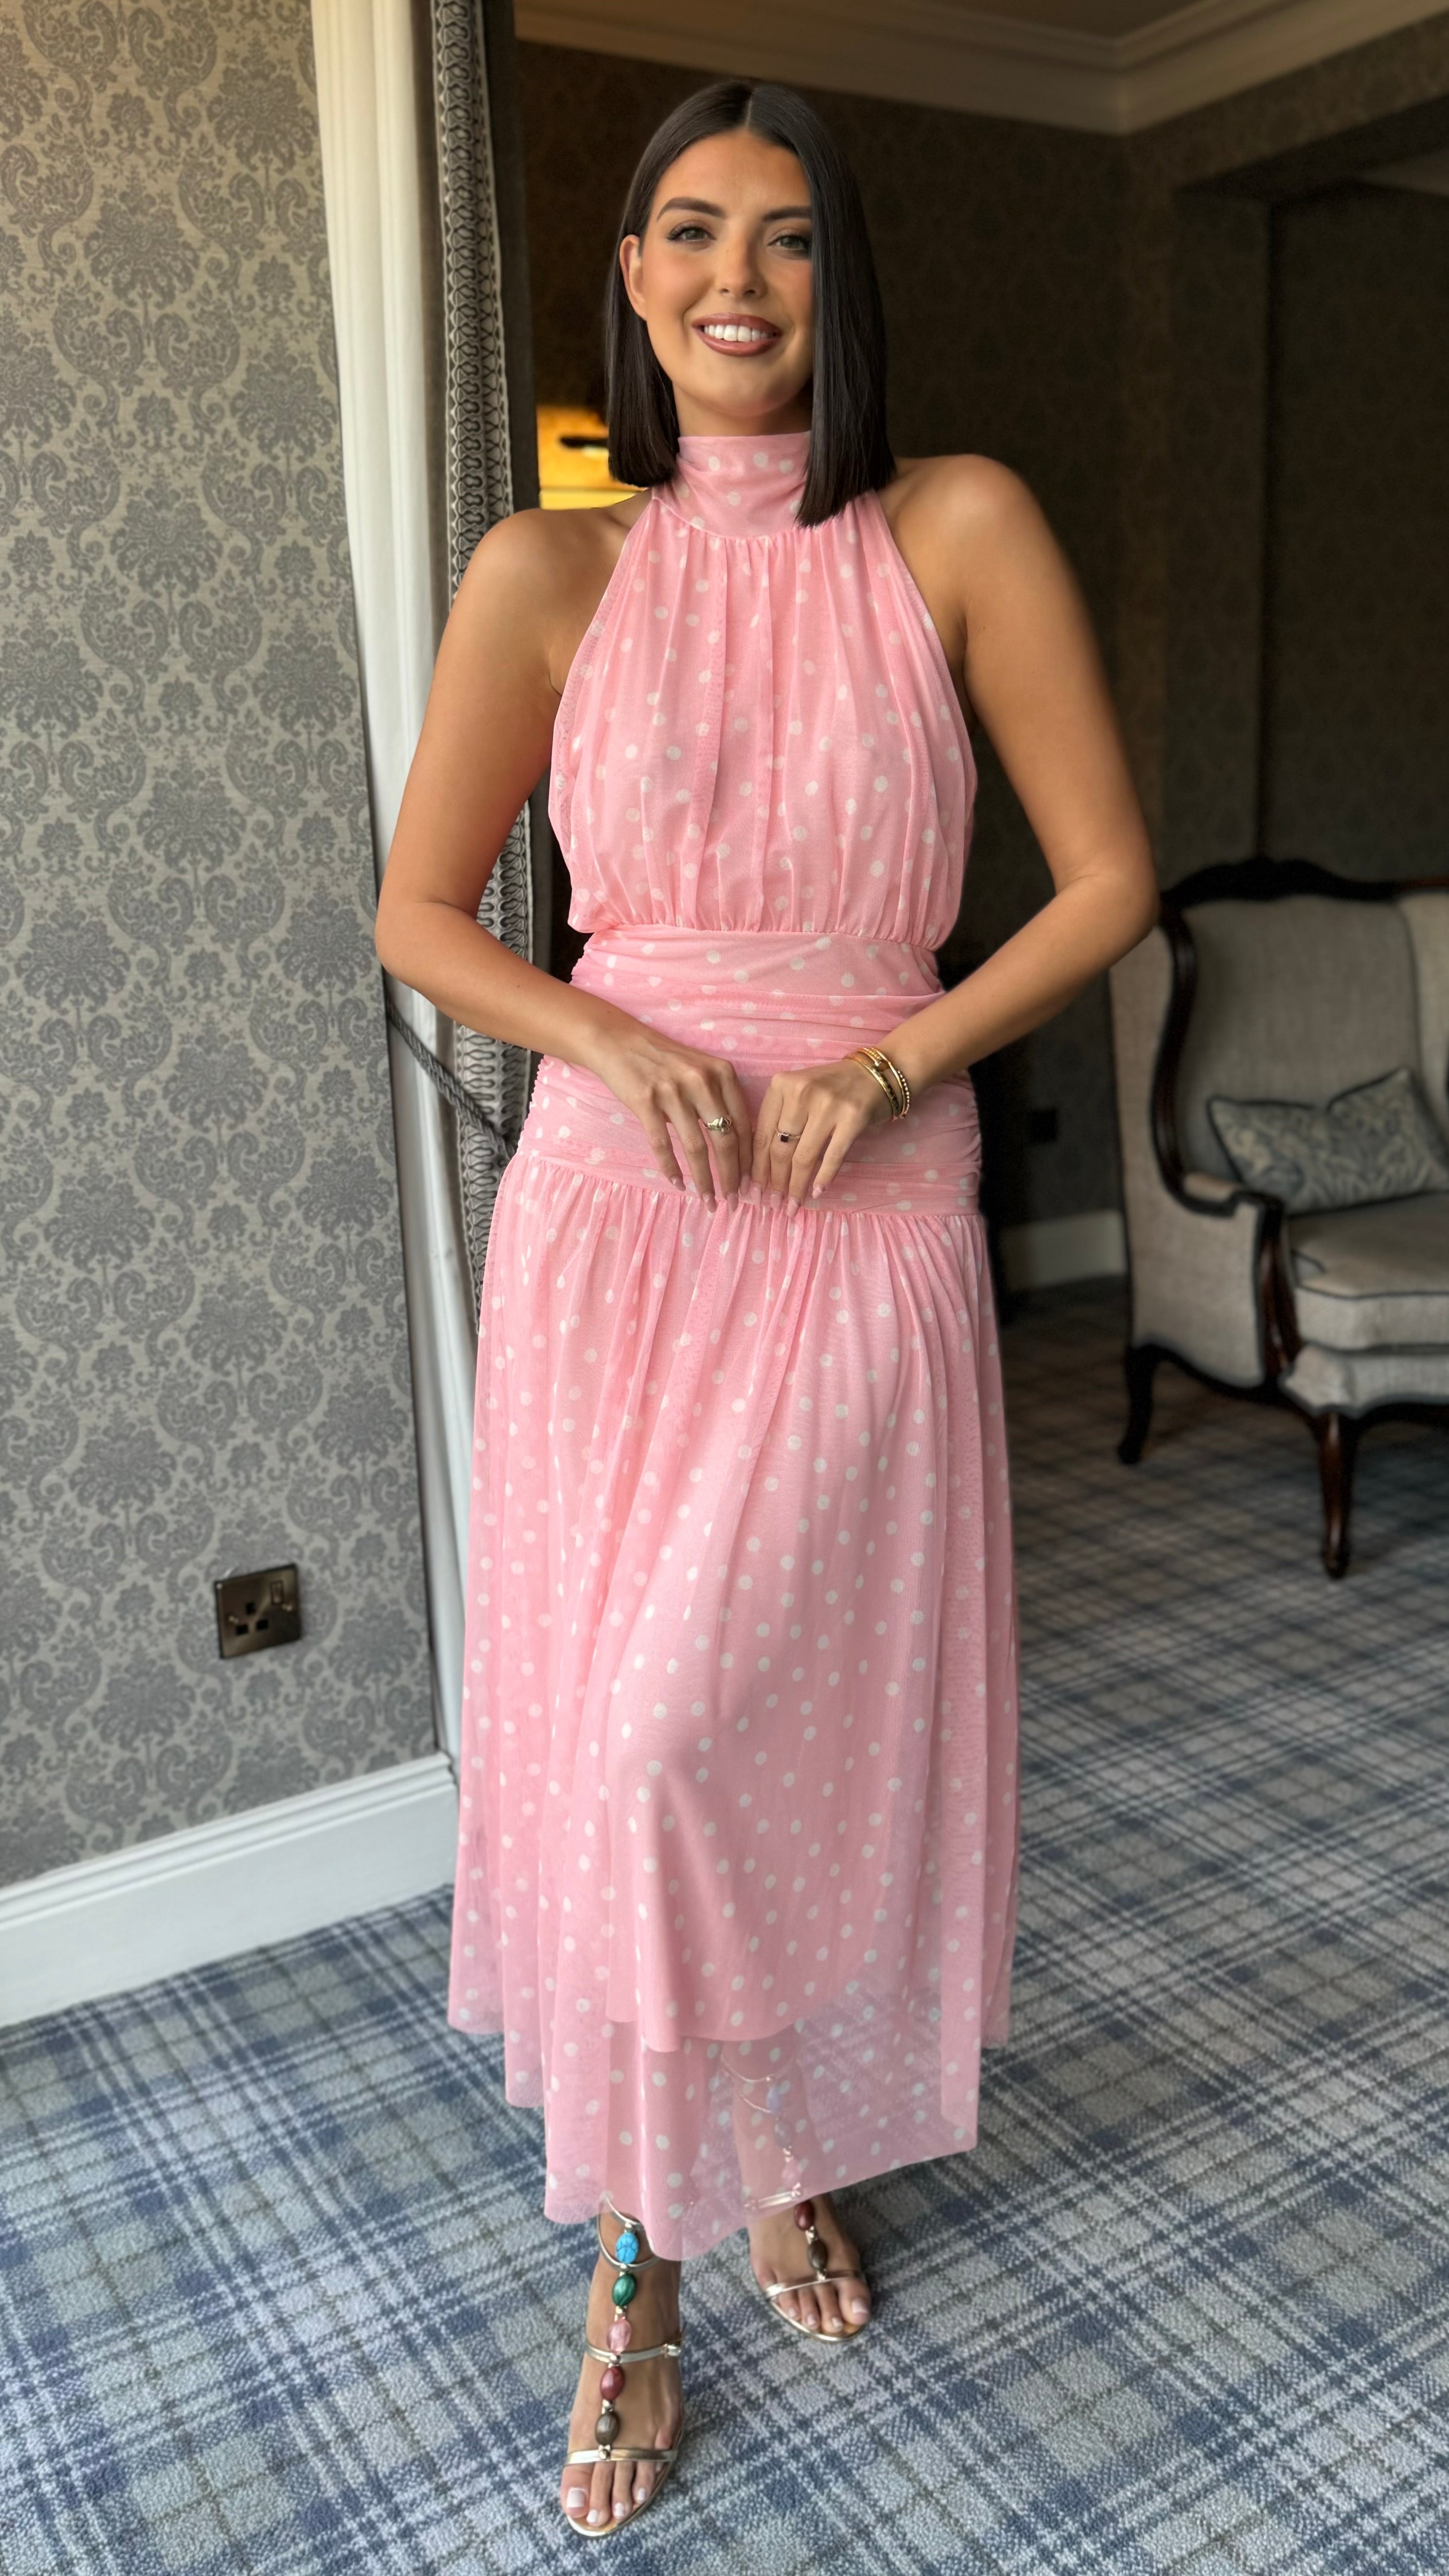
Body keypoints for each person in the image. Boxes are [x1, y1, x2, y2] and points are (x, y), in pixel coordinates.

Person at [374, 76, 1157, 2539]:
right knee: (623, 1741)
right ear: (630, 275)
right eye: (692, 232)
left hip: (868, 1196)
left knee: (750, 1724)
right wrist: (605, 1034)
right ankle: (651, 2240)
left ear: (841, 279)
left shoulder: (958, 525)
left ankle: (782, 2132)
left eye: (789, 237)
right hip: (620, 1213)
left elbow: (1105, 880)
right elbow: (415, 911)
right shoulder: (546, 567)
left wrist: (893, 1058)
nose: (738, 277)